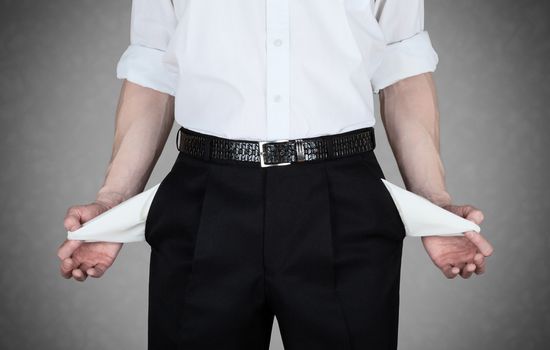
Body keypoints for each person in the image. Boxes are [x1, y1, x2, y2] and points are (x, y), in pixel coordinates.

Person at [57, 1, 494, 349]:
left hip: (343, 200)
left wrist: (433, 202)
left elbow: (402, 70)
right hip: (205, 199)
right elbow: (153, 69)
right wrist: (113, 200)